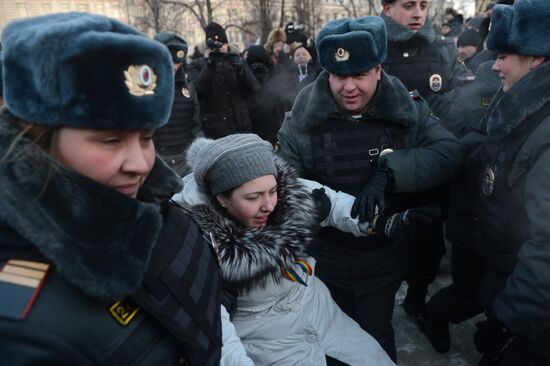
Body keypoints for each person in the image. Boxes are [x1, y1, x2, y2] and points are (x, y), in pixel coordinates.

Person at [0, 13, 223, 365]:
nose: (140, 163)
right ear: (39, 138)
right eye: (110, 139)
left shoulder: (154, 204)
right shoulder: (19, 322)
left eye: (147, 137)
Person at [277, 16, 462, 362]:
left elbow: (449, 153)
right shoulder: (300, 121)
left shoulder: (407, 109)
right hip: (324, 259)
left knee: (373, 338)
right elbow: (286, 185)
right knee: (330, 340)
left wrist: (391, 172)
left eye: (359, 75)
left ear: (378, 69)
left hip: (383, 256)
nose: (349, 87)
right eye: (339, 76)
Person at [172, 133, 396, 366]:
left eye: (272, 191)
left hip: (318, 309)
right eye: (253, 197)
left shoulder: (283, 190)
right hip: (264, 336)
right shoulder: (196, 243)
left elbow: (332, 203)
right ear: (221, 199)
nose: (269, 205)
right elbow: (217, 330)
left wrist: (381, 222)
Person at [467, 1, 550, 364]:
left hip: (533, 316)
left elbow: (548, 245)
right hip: (510, 281)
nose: (495, 65)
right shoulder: (520, 109)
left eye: (504, 55)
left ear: (537, 58)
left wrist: (508, 320)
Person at [380, 0, 470, 322]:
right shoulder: (371, 44)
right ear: (387, 8)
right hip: (383, 165)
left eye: (423, 4)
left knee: (428, 240)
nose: (418, 12)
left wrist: (435, 108)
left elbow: (462, 97)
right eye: (408, 5)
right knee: (380, 244)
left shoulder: (442, 50)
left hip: (431, 165)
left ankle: (416, 301)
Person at [188, 22, 260, 139]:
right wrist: (210, 65)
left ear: (227, 44)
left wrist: (242, 70)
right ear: (208, 47)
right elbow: (196, 91)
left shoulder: (235, 61)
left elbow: (254, 88)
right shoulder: (197, 65)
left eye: (222, 44)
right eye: (215, 46)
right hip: (216, 132)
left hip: (242, 128)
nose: (219, 48)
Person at [153, 32, 202, 176]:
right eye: (170, 61)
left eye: (178, 62)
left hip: (185, 161)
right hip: (156, 162)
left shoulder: (188, 88)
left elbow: (196, 123)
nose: (174, 67)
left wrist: (194, 150)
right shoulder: (143, 88)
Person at [245, 45, 285, 146]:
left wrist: (266, 75)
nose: (257, 66)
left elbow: (279, 94)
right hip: (253, 121)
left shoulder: (273, 71)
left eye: (260, 62)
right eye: (254, 63)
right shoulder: (245, 73)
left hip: (272, 121)